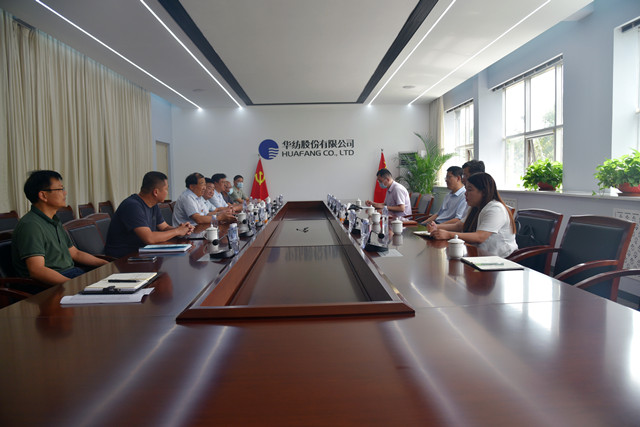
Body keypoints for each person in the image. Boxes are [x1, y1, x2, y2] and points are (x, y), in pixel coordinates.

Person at [11, 170, 109, 285]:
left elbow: (75, 253)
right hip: (49, 285)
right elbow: (37, 270)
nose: (65, 193)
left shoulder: (54, 220)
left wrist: (105, 264)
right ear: (43, 195)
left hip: (72, 274)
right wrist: (74, 285)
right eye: (60, 189)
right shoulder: (31, 225)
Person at [104, 171, 195, 258]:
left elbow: (164, 227)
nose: (167, 192)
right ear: (156, 192)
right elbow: (149, 238)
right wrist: (177, 231)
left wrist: (182, 229)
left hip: (144, 253)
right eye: (166, 189)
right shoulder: (132, 206)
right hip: (124, 258)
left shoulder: (153, 205)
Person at [427, 172, 517, 257]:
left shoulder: (495, 208)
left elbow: (480, 237)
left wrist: (448, 235)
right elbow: (459, 226)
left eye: (469, 190)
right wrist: (437, 227)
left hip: (501, 259)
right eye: (466, 189)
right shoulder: (476, 207)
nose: (465, 193)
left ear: (483, 192)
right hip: (479, 255)